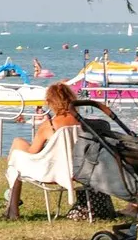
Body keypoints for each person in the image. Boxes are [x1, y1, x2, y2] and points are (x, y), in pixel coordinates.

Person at [5, 82, 81, 219]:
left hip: (52, 171)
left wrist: (15, 150)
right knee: (17, 147)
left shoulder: (50, 125)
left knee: (16, 155)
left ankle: (13, 209)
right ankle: (11, 207)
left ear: (51, 102)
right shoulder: (80, 123)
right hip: (77, 170)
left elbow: (33, 151)